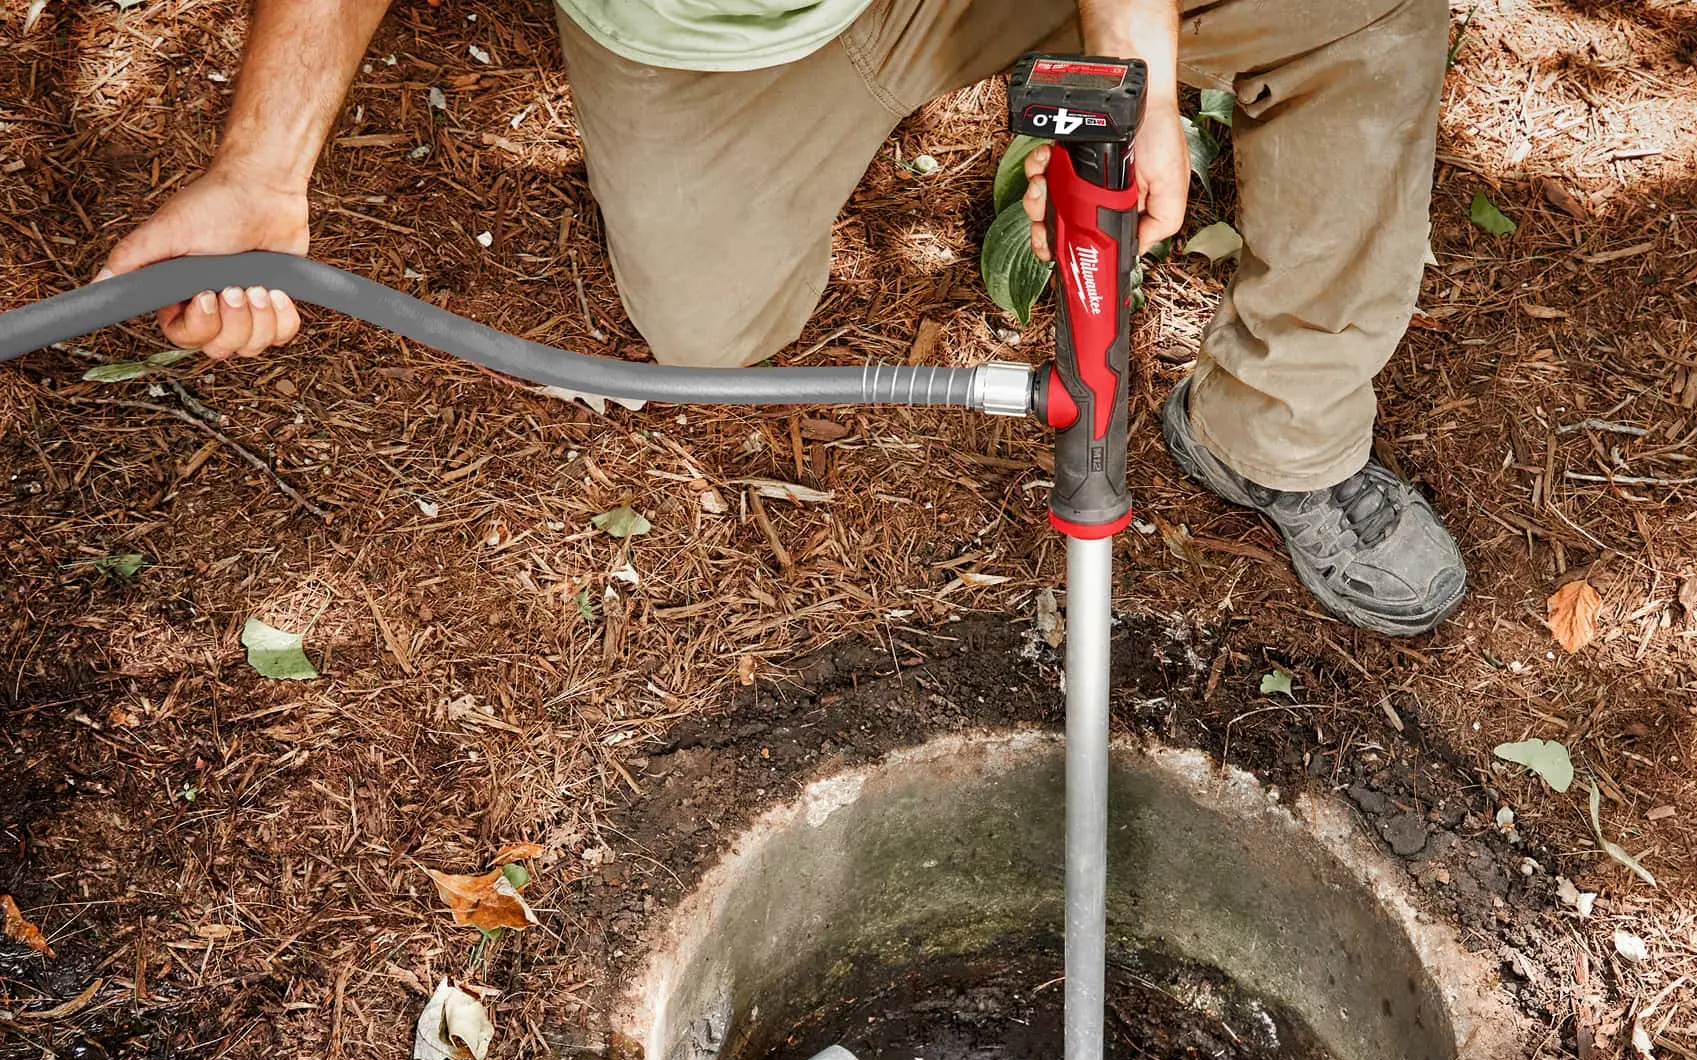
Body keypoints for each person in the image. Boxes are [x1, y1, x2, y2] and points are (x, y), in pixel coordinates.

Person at [101, 0, 1466, 636]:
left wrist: (1139, 64)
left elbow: (1137, 60)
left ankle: (1279, 434)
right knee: (711, 324)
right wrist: (261, 170)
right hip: (723, 39)